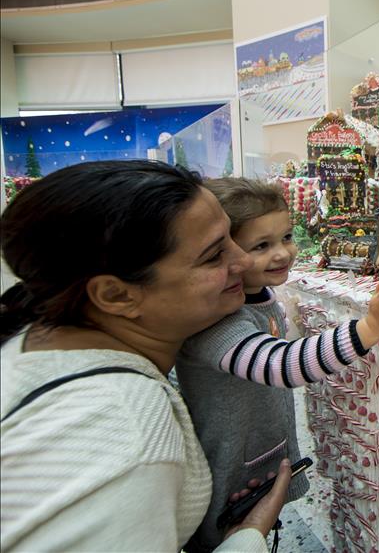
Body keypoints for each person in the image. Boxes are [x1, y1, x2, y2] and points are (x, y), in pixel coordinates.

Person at [0, 160, 290, 552]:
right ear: (116, 295)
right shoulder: (127, 437)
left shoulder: (35, 338)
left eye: (232, 239)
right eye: (213, 255)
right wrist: (244, 543)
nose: (241, 261)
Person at [175, 178, 379, 552]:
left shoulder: (258, 298)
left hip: (255, 465)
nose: (283, 253)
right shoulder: (216, 323)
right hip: (225, 479)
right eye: (261, 246)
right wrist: (369, 328)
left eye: (286, 237)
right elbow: (281, 365)